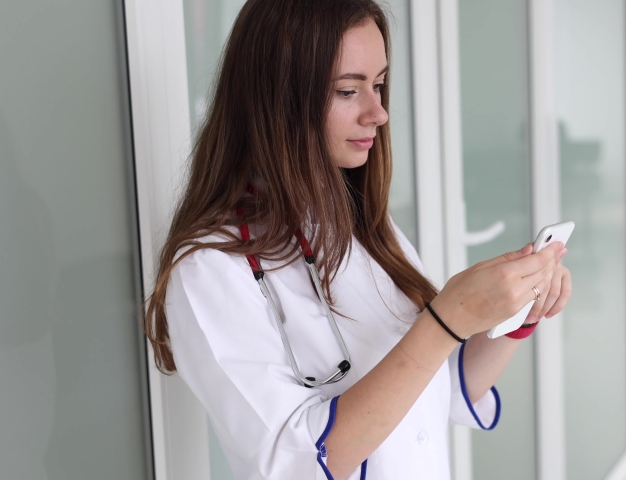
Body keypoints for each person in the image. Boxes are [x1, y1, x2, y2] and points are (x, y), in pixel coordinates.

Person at [145, 0, 572, 478]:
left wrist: (516, 317)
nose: (379, 113)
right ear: (277, 99)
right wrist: (446, 320)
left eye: (379, 85)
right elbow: (295, 464)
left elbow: (442, 387)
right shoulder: (208, 270)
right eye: (348, 91)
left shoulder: (361, 226)